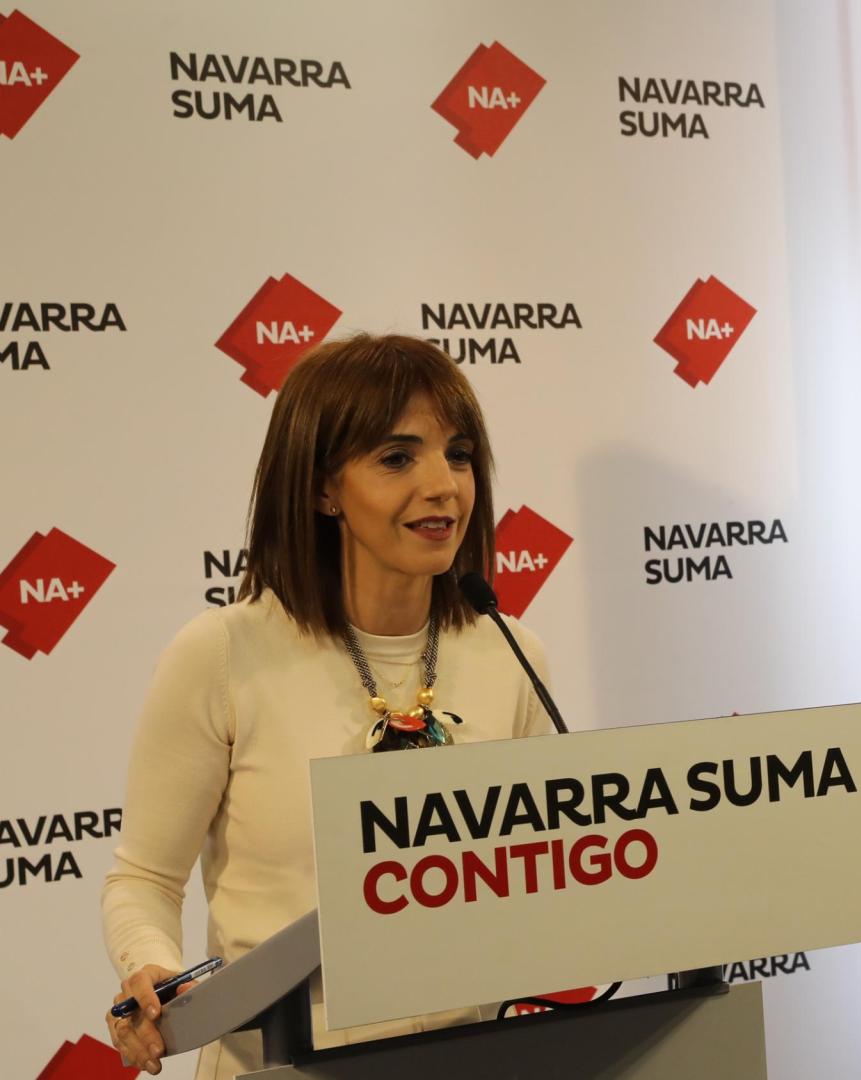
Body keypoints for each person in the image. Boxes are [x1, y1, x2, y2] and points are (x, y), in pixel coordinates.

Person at [100, 335, 552, 1077]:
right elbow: (144, 879)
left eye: (460, 454)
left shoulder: (512, 653)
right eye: (398, 458)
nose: (444, 486)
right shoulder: (223, 652)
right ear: (322, 489)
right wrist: (150, 971)